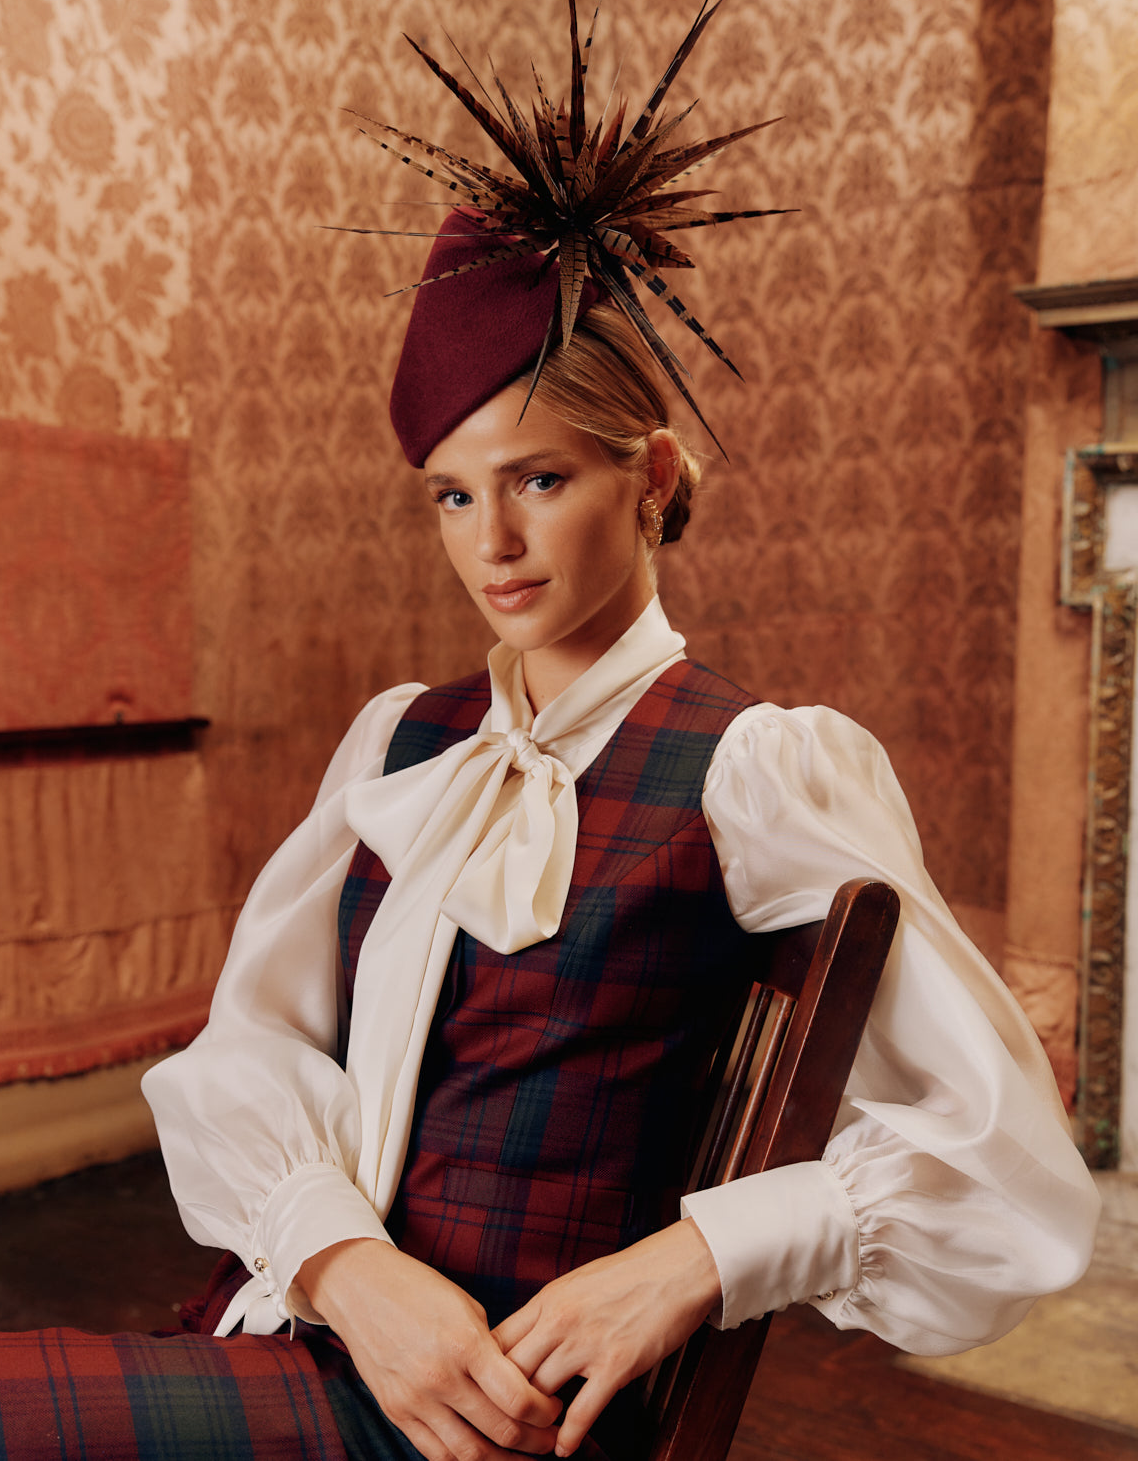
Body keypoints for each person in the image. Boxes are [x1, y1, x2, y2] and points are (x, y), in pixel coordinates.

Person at [137, 210, 1097, 1461]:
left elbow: (1007, 1160)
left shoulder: (756, 767)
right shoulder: (400, 743)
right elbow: (251, 1047)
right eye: (454, 495)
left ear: (651, 477)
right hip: (322, 1334)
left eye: (538, 480)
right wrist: (343, 1264)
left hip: (507, 1414)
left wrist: (699, 1257)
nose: (493, 542)